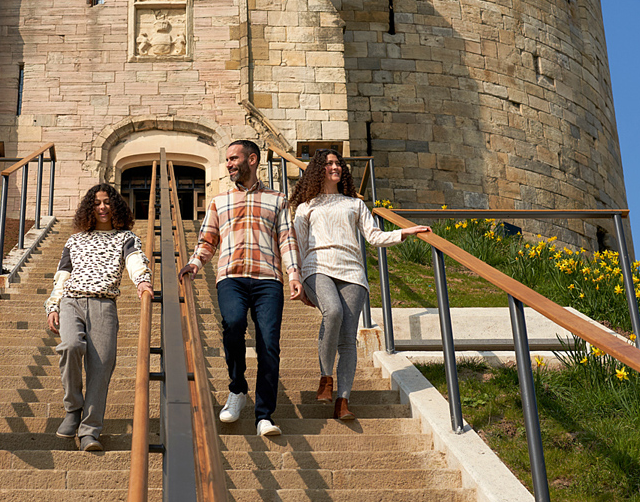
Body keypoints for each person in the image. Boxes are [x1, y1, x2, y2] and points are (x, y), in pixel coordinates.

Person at [288, 149, 430, 419]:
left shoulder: (354, 204)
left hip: (353, 272)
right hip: (317, 268)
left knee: (348, 340)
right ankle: (325, 377)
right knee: (333, 312)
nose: (336, 167)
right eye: (329, 163)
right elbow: (299, 246)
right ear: (318, 170)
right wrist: (299, 280)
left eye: (338, 163)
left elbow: (374, 237)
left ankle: (343, 400)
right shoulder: (307, 207)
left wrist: (406, 232)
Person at [179, 139, 301, 437]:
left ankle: (264, 415)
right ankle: (237, 388)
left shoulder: (278, 199)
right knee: (232, 324)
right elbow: (208, 239)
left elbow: (287, 239)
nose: (230, 164)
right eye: (227, 160)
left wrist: (294, 273)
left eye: (234, 159)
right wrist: (195, 264)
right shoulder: (220, 201)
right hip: (231, 277)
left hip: (268, 279)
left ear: (252, 160)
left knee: (268, 345)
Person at [43, 184, 153, 451]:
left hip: (104, 305)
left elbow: (135, 260)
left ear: (115, 206)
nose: (102, 207)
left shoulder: (126, 238)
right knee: (70, 347)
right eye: (96, 203)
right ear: (88, 209)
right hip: (72, 301)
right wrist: (53, 305)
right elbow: (63, 275)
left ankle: (90, 431)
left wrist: (142, 281)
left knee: (101, 369)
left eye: (107, 202)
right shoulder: (75, 240)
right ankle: (73, 409)